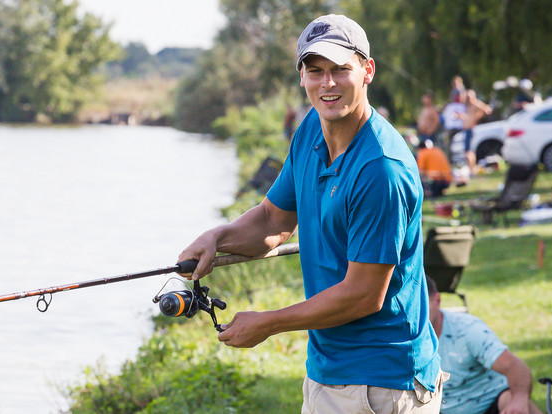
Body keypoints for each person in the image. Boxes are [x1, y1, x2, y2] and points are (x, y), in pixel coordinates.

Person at [178, 14, 445, 414]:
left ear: (367, 70)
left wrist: (268, 322)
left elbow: (363, 295)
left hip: (383, 383)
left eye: (341, 69)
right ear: (301, 76)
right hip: (327, 370)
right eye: (315, 71)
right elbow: (272, 220)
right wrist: (219, 238)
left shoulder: (381, 169)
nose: (328, 83)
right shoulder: (310, 131)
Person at [427, 277, 543, 414]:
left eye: (421, 305)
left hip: (490, 403)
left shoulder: (468, 331)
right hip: (437, 408)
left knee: (514, 404)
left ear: (437, 301)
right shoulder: (400, 338)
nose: (416, 315)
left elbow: (515, 366)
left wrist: (519, 399)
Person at [461, 89, 493, 174]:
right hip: (466, 129)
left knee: (469, 151)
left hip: (471, 129)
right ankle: (470, 169)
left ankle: (472, 170)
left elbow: (488, 109)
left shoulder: (476, 104)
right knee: (467, 151)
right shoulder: (468, 106)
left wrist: (478, 117)